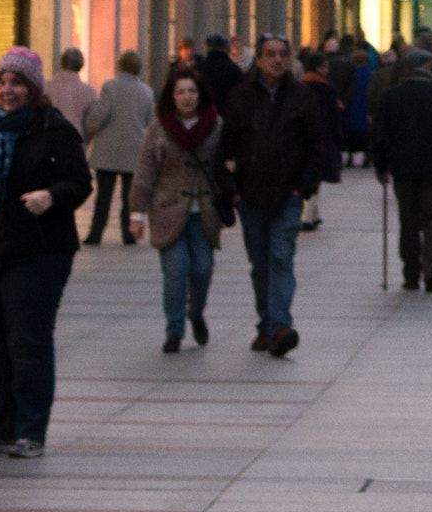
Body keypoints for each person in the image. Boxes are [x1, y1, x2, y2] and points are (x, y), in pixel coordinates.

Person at [0, 47, 93, 460]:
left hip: (37, 251)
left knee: (27, 340)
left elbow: (79, 182)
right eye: (1, 82)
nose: (7, 90)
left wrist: (51, 196)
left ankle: (31, 430)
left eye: (16, 83)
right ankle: (2, 428)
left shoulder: (54, 129)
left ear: (33, 88)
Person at [218, 34, 322, 357]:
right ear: (258, 60)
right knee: (260, 264)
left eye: (283, 54)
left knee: (281, 257)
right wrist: (232, 192)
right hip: (250, 196)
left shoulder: (302, 96)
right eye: (270, 54)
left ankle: (279, 326)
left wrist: (302, 188)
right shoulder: (241, 96)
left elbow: (316, 147)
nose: (278, 60)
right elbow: (226, 145)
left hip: (287, 196)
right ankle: (266, 325)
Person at [128, 68, 226, 352]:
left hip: (204, 211)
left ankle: (195, 313)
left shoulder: (215, 124)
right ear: (172, 96)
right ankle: (174, 330)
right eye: (181, 91)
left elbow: (224, 165)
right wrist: (137, 214)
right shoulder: (159, 127)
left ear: (200, 95)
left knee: (203, 270)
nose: (186, 97)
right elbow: (145, 170)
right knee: (175, 271)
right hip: (167, 210)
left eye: (192, 91)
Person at [372, 48, 432, 293]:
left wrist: (381, 167)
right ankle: (431, 269)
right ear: (424, 66)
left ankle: (411, 272)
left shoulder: (392, 96)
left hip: (403, 168)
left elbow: (380, 135)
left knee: (409, 220)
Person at [82, 50, 155, 247]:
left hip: (109, 148)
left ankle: (96, 233)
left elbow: (99, 115)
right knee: (129, 196)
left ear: (120, 66)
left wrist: (88, 128)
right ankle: (128, 234)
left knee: (103, 194)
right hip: (135, 149)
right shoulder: (147, 91)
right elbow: (150, 120)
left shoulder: (110, 87)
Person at [298, 50, 342, 230]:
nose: (327, 70)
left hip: (301, 138)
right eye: (325, 67)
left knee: (310, 176)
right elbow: (334, 118)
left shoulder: (299, 87)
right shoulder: (327, 90)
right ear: (318, 68)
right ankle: (306, 217)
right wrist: (339, 139)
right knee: (315, 178)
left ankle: (313, 214)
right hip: (322, 139)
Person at [199, 35, 243, 114]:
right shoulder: (233, 70)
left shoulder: (199, 69)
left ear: (208, 48)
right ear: (225, 49)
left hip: (204, 115)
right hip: (228, 115)